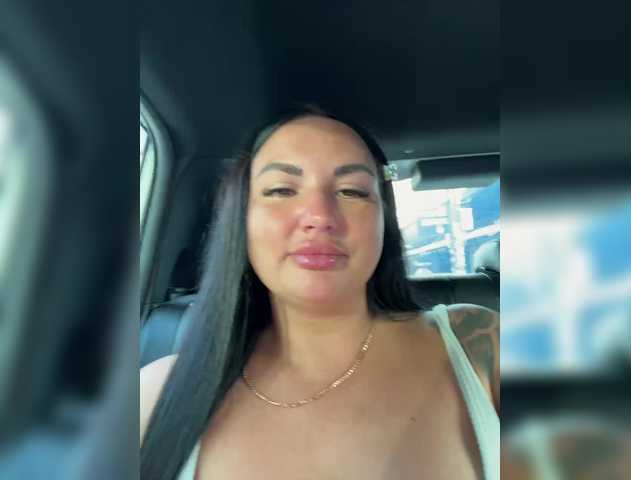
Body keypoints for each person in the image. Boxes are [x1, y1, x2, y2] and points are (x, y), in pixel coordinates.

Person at [140, 105, 499, 480]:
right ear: (241, 220)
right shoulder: (154, 396)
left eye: (351, 191)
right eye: (281, 190)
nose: (320, 216)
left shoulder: (482, 345)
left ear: (384, 221)